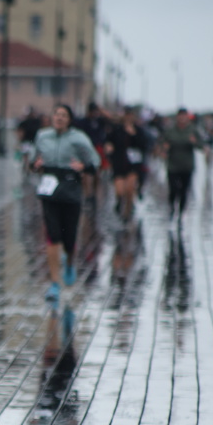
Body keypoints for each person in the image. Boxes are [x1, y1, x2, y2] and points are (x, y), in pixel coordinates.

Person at [30, 104, 101, 304]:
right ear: (52, 117)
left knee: (69, 237)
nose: (59, 118)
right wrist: (35, 165)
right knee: (53, 235)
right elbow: (32, 161)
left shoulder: (79, 138)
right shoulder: (43, 136)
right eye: (56, 114)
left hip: (71, 190)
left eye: (63, 115)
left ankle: (69, 262)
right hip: (49, 189)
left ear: (69, 119)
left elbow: (94, 162)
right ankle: (54, 283)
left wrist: (83, 166)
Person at [160, 107, 203, 226]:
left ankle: (181, 213)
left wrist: (195, 142)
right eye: (180, 116)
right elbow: (162, 143)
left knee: (184, 191)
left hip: (187, 166)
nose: (182, 118)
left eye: (184, 116)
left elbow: (201, 145)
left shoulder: (193, 130)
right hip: (173, 165)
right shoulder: (170, 130)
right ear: (177, 117)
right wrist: (164, 149)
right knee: (173, 189)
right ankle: (172, 208)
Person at [104, 106, 146, 222]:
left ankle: (128, 213)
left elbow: (144, 145)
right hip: (119, 163)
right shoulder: (116, 129)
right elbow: (108, 140)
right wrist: (108, 147)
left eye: (130, 115)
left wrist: (133, 134)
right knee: (120, 191)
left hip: (133, 165)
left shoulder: (138, 130)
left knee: (129, 190)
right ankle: (119, 202)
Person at [73, 101, 109, 200]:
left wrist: (101, 109)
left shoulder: (99, 121)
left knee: (97, 174)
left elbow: (110, 118)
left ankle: (94, 193)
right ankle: (88, 194)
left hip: (98, 149)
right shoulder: (83, 121)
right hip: (86, 149)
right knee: (85, 174)